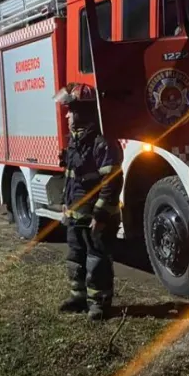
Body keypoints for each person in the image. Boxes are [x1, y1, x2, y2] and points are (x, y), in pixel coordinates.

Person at [54, 82, 122, 321]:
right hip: (76, 214)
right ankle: (78, 298)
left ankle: (99, 305)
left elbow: (112, 182)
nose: (67, 115)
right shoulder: (76, 141)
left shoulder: (102, 143)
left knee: (97, 262)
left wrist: (101, 216)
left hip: (95, 218)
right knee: (76, 257)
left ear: (83, 112)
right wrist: (65, 202)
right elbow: (71, 177)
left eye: (70, 110)